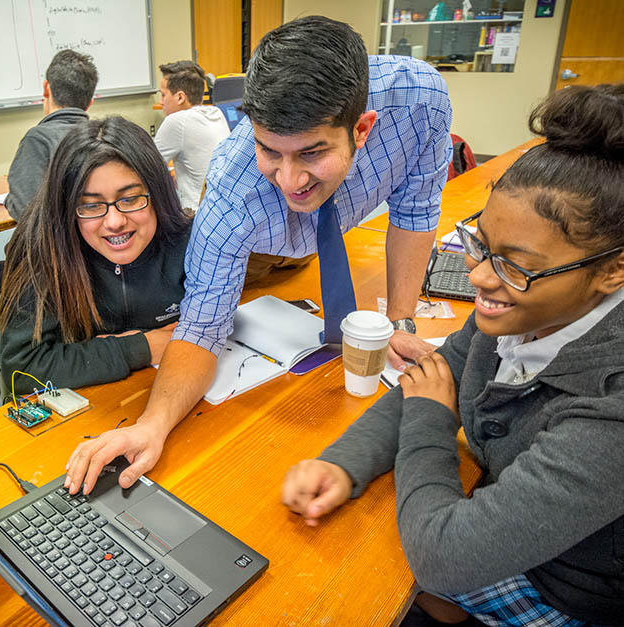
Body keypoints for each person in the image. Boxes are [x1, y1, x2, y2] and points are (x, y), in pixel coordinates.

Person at [63, 16, 452, 495]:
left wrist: (398, 321)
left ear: (363, 129)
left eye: (311, 154)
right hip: (266, 247)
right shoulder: (234, 189)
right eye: (271, 151)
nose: (289, 179)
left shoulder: (420, 103)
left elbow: (414, 213)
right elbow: (202, 328)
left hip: (318, 246)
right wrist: (151, 425)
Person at [281, 84, 624, 626]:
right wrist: (343, 462)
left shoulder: (611, 408)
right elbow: (434, 376)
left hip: (570, 589)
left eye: (517, 264)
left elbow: (444, 556)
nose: (480, 275)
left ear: (612, 270)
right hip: (519, 530)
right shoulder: (521, 307)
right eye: (480, 243)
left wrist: (429, 419)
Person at [0, 116, 191, 395]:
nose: (114, 222)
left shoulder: (186, 240)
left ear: (159, 191)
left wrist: (87, 353)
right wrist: (141, 347)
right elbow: (21, 372)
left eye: (130, 199)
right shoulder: (41, 249)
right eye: (90, 205)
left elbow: (213, 325)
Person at [5, 48, 99, 220]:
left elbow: (23, 209)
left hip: (58, 244)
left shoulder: (38, 140)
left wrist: (8, 201)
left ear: (46, 88)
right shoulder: (101, 135)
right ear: (90, 102)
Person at [154, 60, 230, 212]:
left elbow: (146, 168)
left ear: (180, 97)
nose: (161, 102)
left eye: (163, 95)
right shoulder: (216, 113)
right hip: (220, 210)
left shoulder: (176, 121)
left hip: (194, 215)